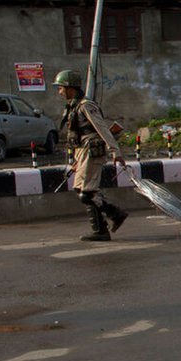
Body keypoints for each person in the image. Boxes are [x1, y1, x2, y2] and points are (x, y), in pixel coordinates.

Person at [53, 70, 128, 241]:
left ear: (69, 87)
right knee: (82, 190)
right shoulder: (74, 105)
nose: (59, 92)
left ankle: (106, 224)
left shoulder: (86, 105)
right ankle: (112, 219)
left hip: (91, 150)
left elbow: (102, 129)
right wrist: (75, 161)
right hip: (82, 151)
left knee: (86, 192)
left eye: (60, 88)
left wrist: (115, 151)